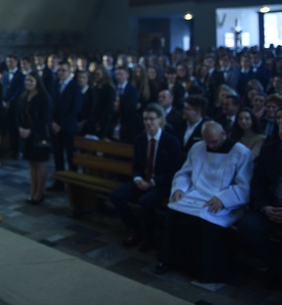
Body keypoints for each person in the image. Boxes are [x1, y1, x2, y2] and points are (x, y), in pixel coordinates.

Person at [155, 121, 253, 283]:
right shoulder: (197, 148)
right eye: (206, 141)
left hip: (222, 198)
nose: (210, 145)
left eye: (213, 141)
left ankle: (203, 270)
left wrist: (224, 199)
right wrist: (180, 188)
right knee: (174, 209)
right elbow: (185, 173)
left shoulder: (241, 153)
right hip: (196, 193)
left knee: (205, 217)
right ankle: (168, 261)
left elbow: (245, 185)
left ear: (223, 134)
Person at [109, 104, 182, 252]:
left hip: (161, 183)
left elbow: (174, 171)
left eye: (152, 119)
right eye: (145, 119)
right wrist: (137, 179)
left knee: (146, 202)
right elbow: (136, 166)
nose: (148, 122)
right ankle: (136, 230)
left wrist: (153, 182)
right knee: (116, 196)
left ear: (160, 120)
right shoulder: (140, 140)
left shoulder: (171, 141)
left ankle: (149, 237)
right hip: (142, 180)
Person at [236, 108, 282, 287]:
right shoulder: (270, 150)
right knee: (248, 225)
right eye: (280, 122)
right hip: (271, 206)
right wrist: (265, 207)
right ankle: (275, 266)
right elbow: (258, 184)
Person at [16, 73, 52, 205]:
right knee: (31, 164)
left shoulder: (43, 97)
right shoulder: (24, 96)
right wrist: (20, 128)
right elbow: (18, 114)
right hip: (26, 135)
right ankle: (33, 191)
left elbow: (45, 118)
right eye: (27, 80)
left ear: (37, 82)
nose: (28, 83)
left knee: (39, 164)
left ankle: (39, 193)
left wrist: (31, 130)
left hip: (39, 135)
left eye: (31, 80)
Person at [48, 62, 81, 191]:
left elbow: (75, 109)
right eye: (59, 70)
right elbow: (51, 105)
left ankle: (73, 183)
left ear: (69, 72)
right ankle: (59, 182)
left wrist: (61, 125)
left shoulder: (75, 86)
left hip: (68, 127)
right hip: (55, 127)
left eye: (63, 70)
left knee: (70, 155)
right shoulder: (55, 84)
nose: (61, 73)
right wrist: (52, 122)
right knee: (57, 155)